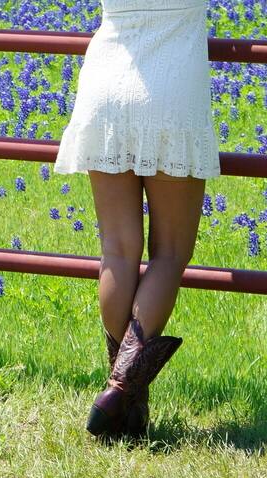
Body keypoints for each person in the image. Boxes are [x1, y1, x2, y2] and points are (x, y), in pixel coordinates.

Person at [52, 0, 220, 439]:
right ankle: (120, 388)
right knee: (170, 253)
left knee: (118, 250)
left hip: (106, 80)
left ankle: (127, 407)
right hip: (172, 91)